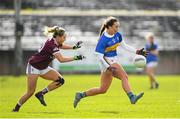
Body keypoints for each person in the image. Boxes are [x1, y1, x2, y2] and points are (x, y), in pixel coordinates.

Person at [73, 16, 148, 108]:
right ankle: (132, 97)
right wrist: (107, 66)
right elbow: (100, 57)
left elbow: (124, 45)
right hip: (107, 62)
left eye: (118, 26)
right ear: (109, 27)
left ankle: (80, 95)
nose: (117, 28)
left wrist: (137, 51)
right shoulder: (103, 40)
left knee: (102, 89)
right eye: (116, 26)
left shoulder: (117, 35)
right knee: (124, 76)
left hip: (112, 62)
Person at [12, 26, 85, 112]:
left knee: (60, 80)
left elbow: (61, 45)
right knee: (30, 92)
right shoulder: (52, 45)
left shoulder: (54, 41)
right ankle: (16, 109)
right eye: (63, 37)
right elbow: (61, 60)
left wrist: (74, 47)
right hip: (34, 67)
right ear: (58, 36)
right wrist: (75, 58)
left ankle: (41, 93)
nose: (65, 39)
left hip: (43, 67)